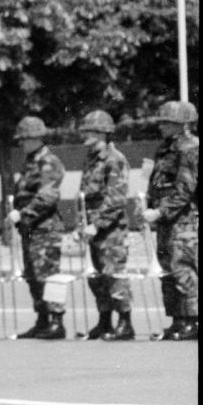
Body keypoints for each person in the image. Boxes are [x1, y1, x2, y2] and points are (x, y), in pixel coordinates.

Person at [7, 115, 68, 339]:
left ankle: (56, 321)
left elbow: (47, 196)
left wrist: (23, 214)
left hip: (45, 228)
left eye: (24, 139)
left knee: (49, 276)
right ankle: (42, 319)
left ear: (35, 138)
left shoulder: (48, 162)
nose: (21, 143)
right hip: (31, 229)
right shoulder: (31, 161)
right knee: (33, 276)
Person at [143, 100, 199, 341]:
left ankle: (192, 321)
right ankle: (177, 319)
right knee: (167, 269)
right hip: (166, 221)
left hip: (184, 220)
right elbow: (156, 184)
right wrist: (151, 209)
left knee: (182, 268)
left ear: (182, 124)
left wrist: (161, 211)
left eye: (167, 122)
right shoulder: (165, 148)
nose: (161, 126)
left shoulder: (190, 147)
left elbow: (185, 189)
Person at [77, 109, 133, 341]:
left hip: (111, 230)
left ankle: (125, 323)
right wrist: (80, 225)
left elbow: (116, 198)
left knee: (114, 275)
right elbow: (82, 197)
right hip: (93, 229)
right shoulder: (91, 159)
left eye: (89, 131)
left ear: (102, 133)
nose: (84, 136)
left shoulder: (115, 159)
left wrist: (97, 224)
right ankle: (104, 322)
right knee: (98, 279)